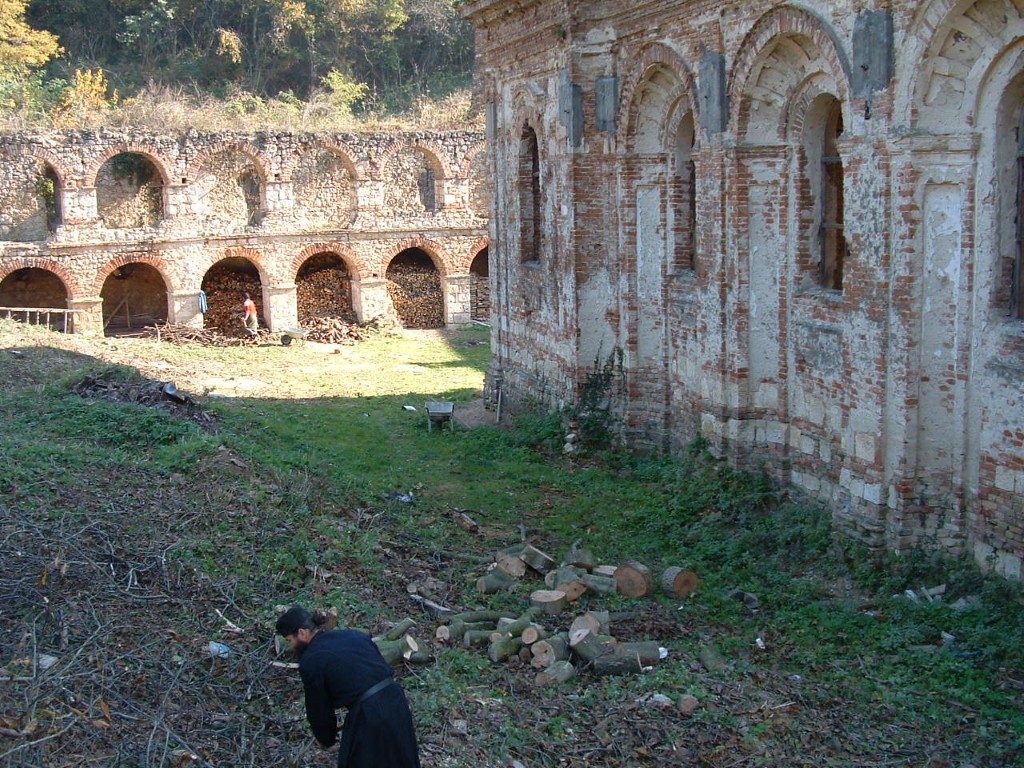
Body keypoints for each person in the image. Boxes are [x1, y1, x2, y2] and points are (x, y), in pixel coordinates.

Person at [276, 605, 421, 768]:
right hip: (397, 701)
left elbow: (318, 709)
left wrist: (325, 738)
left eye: (290, 640)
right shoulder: (353, 635)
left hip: (370, 714)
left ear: (302, 633)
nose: (292, 646)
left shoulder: (311, 660)